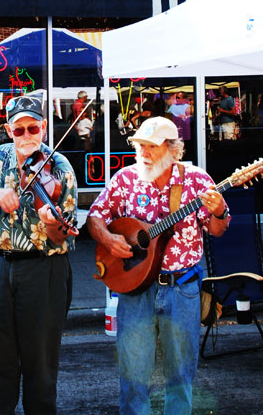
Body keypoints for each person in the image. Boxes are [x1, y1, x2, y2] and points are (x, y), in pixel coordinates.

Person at [86, 117, 230, 415]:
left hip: (181, 287)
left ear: (173, 150)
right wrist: (109, 239)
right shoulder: (125, 179)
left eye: (152, 146)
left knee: (180, 373)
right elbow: (95, 216)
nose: (144, 153)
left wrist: (219, 211)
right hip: (135, 287)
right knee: (133, 372)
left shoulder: (196, 181)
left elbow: (217, 230)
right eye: (141, 146)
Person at [0, 95, 78, 415]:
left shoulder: (60, 168)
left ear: (44, 127)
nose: (27, 135)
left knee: (40, 366)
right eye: (19, 130)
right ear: (8, 130)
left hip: (43, 270)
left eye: (33, 128)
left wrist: (52, 224)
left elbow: (62, 236)